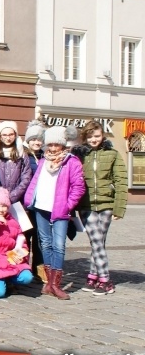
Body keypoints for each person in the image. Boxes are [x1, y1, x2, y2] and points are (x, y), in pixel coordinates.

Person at [24, 126, 85, 300]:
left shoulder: (71, 161)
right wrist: (30, 199)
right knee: (45, 244)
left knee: (59, 246)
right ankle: (48, 283)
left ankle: (56, 284)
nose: (52, 148)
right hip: (41, 207)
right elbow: (36, 181)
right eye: (49, 144)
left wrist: (67, 205)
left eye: (56, 144)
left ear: (63, 144)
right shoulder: (43, 160)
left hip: (60, 209)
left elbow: (78, 187)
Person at [74, 121, 128, 296]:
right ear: (84, 137)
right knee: (96, 240)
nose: (93, 140)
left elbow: (121, 181)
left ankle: (95, 277)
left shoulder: (112, 154)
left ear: (102, 136)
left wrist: (119, 208)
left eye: (96, 136)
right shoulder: (80, 156)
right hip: (86, 205)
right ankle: (104, 278)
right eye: (89, 136)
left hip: (106, 204)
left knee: (98, 242)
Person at [23, 120, 47, 282]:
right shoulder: (23, 156)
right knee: (24, 238)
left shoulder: (46, 156)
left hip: (41, 204)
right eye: (33, 139)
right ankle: (22, 269)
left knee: (40, 238)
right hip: (25, 204)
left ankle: (39, 268)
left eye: (39, 139)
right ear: (28, 140)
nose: (36, 142)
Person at [0, 121, 32, 205]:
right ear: (0, 136)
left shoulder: (22, 154)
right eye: (4, 135)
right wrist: (0, 195)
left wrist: (13, 195)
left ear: (15, 135)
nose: (8, 138)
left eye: (11, 134)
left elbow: (26, 177)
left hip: (16, 200)